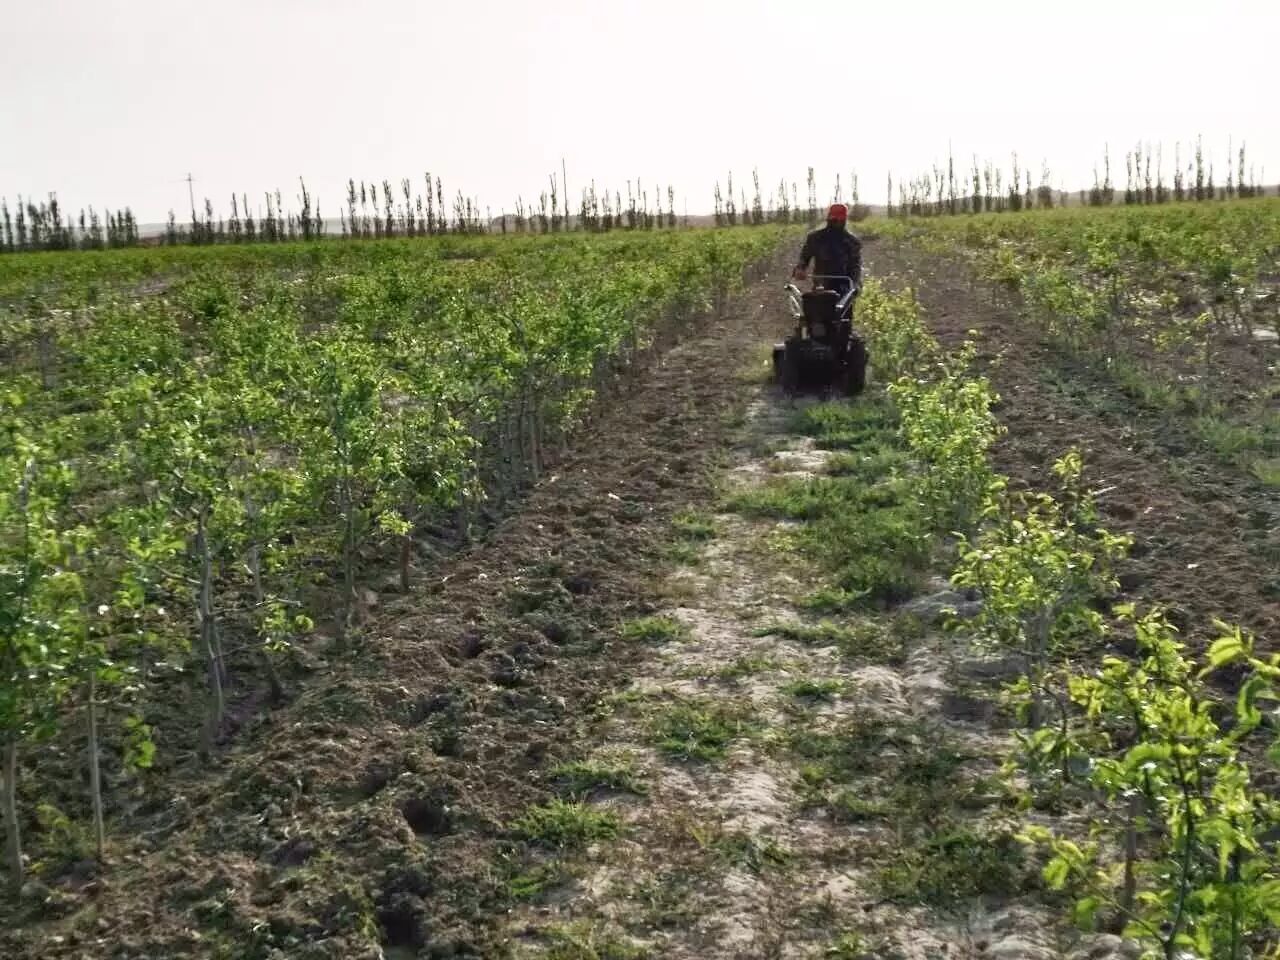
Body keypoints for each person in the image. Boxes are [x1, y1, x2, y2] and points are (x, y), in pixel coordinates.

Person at [792, 203, 862, 303]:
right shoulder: (815, 238)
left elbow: (855, 266)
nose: (837, 223)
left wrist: (855, 284)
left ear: (844, 220)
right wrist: (800, 268)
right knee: (817, 309)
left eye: (840, 220)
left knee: (843, 310)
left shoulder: (852, 242)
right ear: (829, 219)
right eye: (834, 220)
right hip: (821, 286)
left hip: (844, 288)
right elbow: (804, 257)